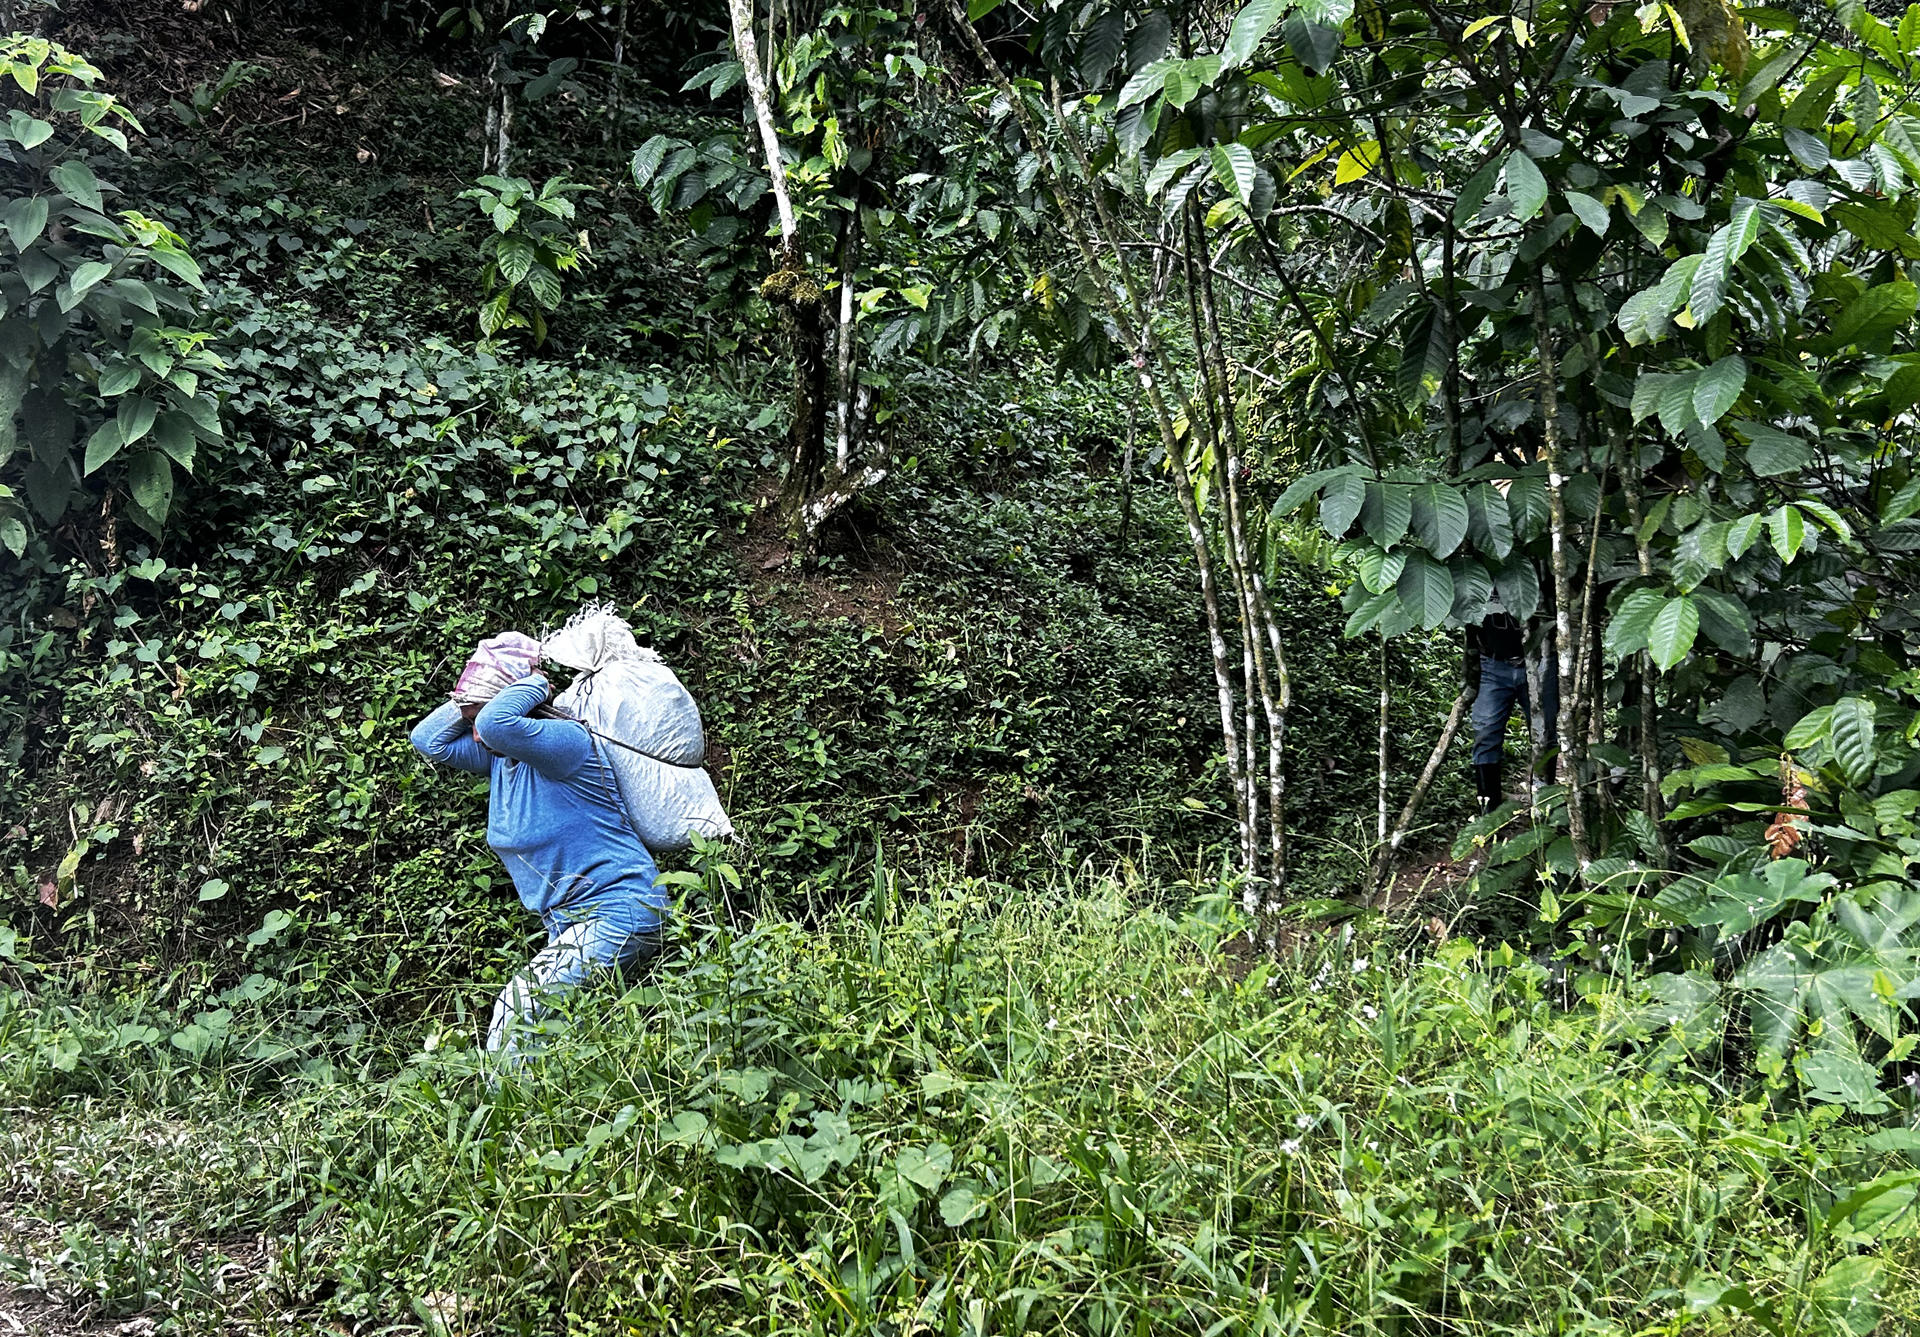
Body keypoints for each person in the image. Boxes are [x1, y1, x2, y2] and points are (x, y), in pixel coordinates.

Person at [410, 632, 666, 1063]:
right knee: (566, 1044)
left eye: (479, 718)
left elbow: (494, 724)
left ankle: (499, 1123)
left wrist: (534, 683)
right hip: (566, 924)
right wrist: (469, 697)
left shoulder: (567, 745)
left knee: (518, 1006)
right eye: (470, 720)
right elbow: (428, 739)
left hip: (621, 907)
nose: (473, 734)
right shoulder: (498, 760)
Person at [1469, 588, 1558, 810]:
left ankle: (1543, 805)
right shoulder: (1476, 566)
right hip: (1492, 662)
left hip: (1539, 659)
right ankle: (1488, 810)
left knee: (1545, 731)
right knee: (1485, 730)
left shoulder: (1538, 564)